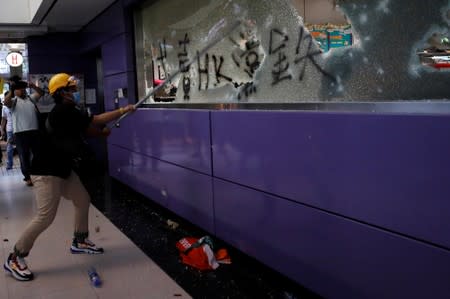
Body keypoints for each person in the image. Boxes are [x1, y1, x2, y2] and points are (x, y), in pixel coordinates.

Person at [3, 73, 136, 281]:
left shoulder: (70, 111)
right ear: (62, 92)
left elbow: (88, 128)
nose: (75, 92)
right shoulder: (64, 110)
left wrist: (101, 134)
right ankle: (15, 256)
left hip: (62, 168)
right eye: (72, 89)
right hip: (46, 171)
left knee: (82, 199)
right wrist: (123, 110)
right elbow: (96, 120)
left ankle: (80, 240)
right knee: (45, 217)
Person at [3, 78, 44, 186]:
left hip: (34, 131)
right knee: (24, 156)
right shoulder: (14, 101)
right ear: (15, 91)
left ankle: (37, 174)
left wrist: (33, 86)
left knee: (37, 155)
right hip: (20, 133)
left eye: (22, 88)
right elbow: (6, 102)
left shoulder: (31, 98)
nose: (21, 90)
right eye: (18, 89)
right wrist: (12, 89)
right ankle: (27, 177)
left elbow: (41, 93)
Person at [1, 98, 14, 170]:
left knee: (21, 147)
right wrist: (2, 129)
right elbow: (3, 119)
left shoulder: (16, 104)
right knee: (9, 148)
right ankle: (9, 164)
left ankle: (25, 164)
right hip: (10, 130)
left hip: (19, 129)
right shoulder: (4, 107)